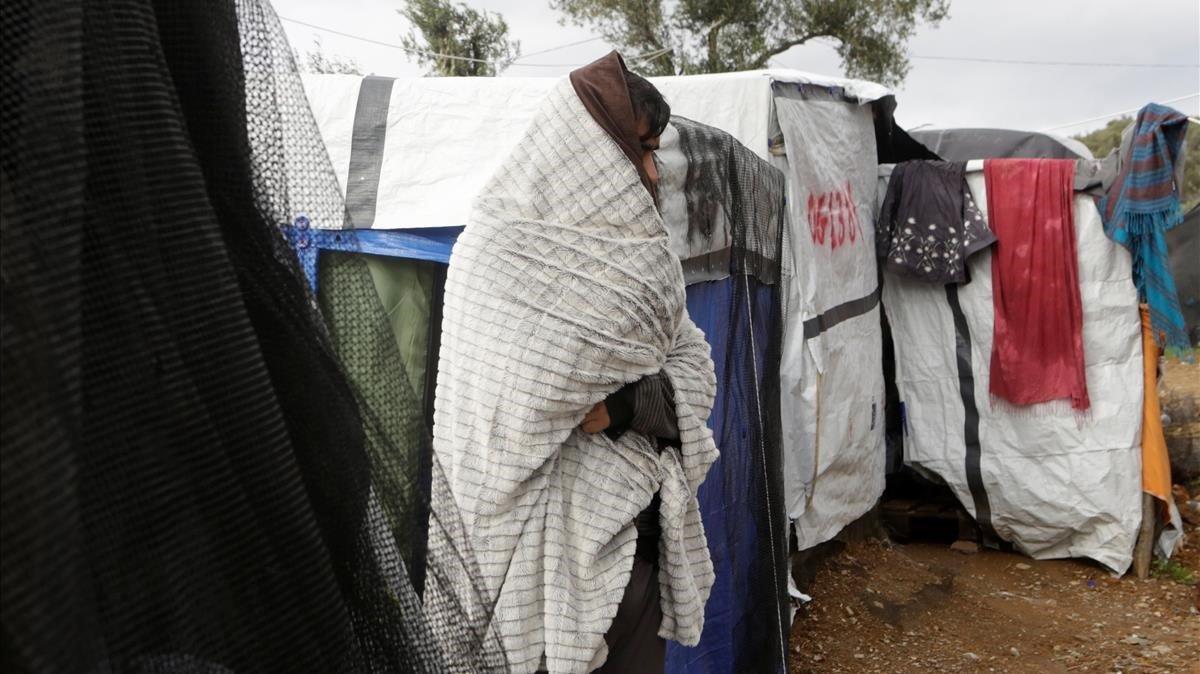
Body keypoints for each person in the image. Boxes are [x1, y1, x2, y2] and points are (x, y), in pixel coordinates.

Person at [433, 51, 718, 674]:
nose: (653, 172)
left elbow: (694, 366)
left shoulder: (648, 262)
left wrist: (621, 405)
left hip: (632, 545)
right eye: (642, 151)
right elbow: (519, 402)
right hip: (516, 549)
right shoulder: (492, 252)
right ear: (590, 150)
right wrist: (597, 389)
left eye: (655, 155)